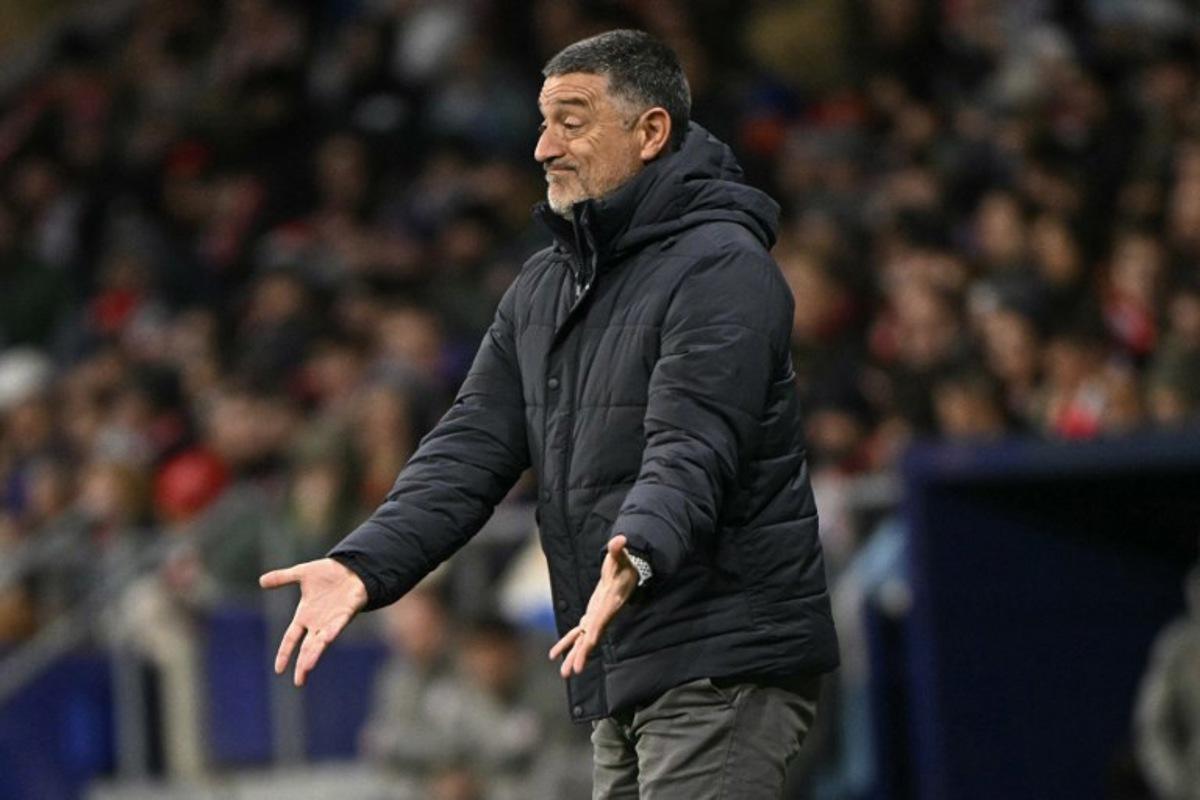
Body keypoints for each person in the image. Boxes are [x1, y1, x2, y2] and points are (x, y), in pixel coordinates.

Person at [260, 29, 838, 798]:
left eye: (571, 121)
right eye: (542, 122)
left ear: (650, 132)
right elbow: (468, 448)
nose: (542, 148)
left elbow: (694, 441)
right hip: (620, 663)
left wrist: (638, 550)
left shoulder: (723, 266)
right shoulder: (544, 288)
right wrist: (365, 561)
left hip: (721, 652)